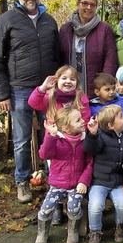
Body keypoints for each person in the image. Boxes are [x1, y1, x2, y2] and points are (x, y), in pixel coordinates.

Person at [0, 0, 61, 203]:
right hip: (19, 89)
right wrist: (1, 94)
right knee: (20, 139)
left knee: (51, 134)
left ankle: (53, 180)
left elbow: (57, 56)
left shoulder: (49, 21)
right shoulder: (6, 20)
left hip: (47, 89)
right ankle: (22, 181)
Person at [28, 65, 91, 225]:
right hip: (55, 141)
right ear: (57, 81)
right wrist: (43, 88)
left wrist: (79, 129)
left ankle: (72, 205)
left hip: (76, 142)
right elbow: (33, 103)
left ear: (77, 82)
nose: (68, 81)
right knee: (55, 173)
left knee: (75, 169)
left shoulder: (80, 97)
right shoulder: (50, 97)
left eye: (72, 79)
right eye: (64, 78)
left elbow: (86, 115)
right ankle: (55, 207)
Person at [34, 107, 93, 243]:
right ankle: (42, 232)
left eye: (81, 118)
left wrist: (84, 181)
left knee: (73, 207)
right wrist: (51, 136)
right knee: (46, 208)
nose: (82, 121)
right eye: (78, 120)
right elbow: (44, 154)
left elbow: (90, 163)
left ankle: (73, 230)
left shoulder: (85, 140)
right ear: (66, 126)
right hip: (58, 184)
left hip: (76, 184)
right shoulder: (57, 140)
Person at [84, 104, 123, 243]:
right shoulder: (100, 137)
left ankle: (120, 227)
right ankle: (95, 232)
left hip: (119, 182)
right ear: (110, 125)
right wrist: (92, 134)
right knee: (95, 205)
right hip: (100, 181)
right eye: (121, 117)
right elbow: (90, 149)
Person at [59, 0, 118, 94]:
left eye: (92, 5)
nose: (89, 7)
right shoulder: (66, 29)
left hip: (94, 88)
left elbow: (110, 60)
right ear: (78, 4)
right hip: (69, 87)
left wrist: (104, 87)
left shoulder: (104, 30)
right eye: (85, 3)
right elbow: (59, 58)